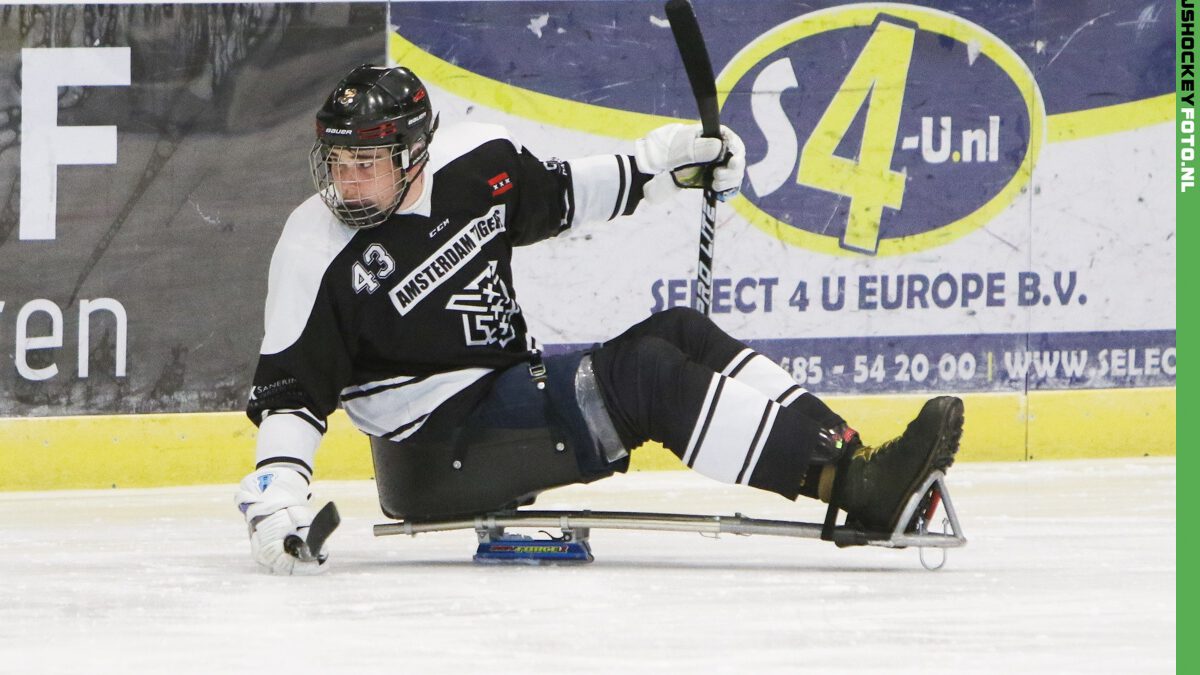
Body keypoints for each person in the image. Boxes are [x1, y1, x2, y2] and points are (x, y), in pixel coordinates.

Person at [235, 64, 965, 574]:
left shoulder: (476, 164)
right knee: (643, 378)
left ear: (415, 152)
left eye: (370, 160)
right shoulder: (312, 246)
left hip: (501, 393)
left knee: (680, 331)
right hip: (433, 452)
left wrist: (668, 164)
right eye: (339, 161)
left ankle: (856, 461)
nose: (349, 180)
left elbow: (564, 194)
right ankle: (857, 490)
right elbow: (294, 392)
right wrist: (276, 498)